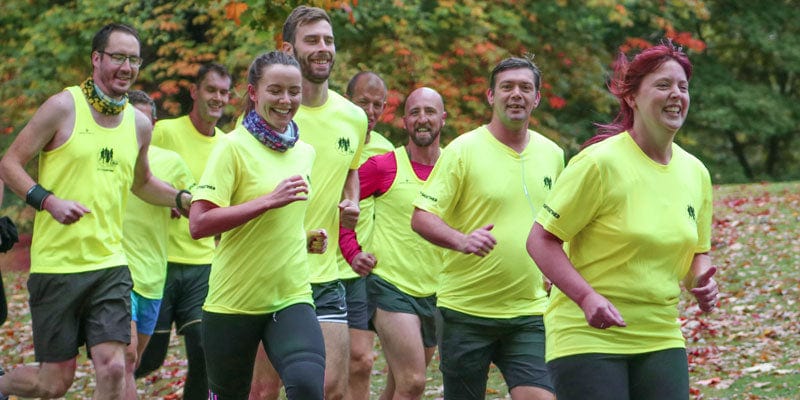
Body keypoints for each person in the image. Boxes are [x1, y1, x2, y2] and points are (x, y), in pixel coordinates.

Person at [0, 23, 189, 399]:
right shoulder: (62, 107)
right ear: (96, 59)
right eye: (118, 57)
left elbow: (142, 182)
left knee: (116, 366)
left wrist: (183, 201)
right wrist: (48, 201)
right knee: (55, 383)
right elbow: (10, 164)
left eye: (134, 59)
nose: (127, 66)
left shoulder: (138, 125)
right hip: (58, 265)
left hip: (110, 264)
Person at [526, 42, 719, 400]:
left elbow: (698, 252)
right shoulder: (599, 163)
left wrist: (701, 280)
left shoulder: (696, 173)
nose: (676, 94)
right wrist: (586, 298)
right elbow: (541, 240)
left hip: (659, 333)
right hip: (587, 335)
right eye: (663, 85)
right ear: (631, 98)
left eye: (683, 87)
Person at [411, 57, 562, 400]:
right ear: (491, 96)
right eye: (507, 87)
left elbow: (558, 223)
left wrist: (559, 264)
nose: (516, 95)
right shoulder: (463, 150)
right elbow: (422, 216)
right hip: (466, 312)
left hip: (529, 311)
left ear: (536, 98)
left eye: (525, 88)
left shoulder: (553, 154)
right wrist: (461, 240)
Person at [188, 50, 327, 400]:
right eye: (275, 90)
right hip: (234, 302)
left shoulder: (305, 152)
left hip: (290, 295)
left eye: (293, 91)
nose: (286, 100)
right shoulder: (231, 148)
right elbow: (199, 222)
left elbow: (285, 222)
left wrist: (309, 238)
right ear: (254, 93)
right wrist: (267, 201)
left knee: (309, 387)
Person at [248, 6, 366, 400]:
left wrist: (351, 204)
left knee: (331, 387)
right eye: (312, 40)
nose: (323, 48)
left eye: (329, 40)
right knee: (263, 390)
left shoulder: (353, 117)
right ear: (288, 48)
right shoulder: (263, 117)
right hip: (270, 273)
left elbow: (351, 170)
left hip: (325, 272)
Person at [134, 62, 232, 399]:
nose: (218, 98)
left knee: (205, 351)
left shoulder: (228, 145)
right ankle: (113, 384)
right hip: (158, 261)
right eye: (211, 90)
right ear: (195, 92)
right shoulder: (162, 132)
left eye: (223, 92)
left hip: (204, 264)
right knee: (148, 358)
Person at [341, 87, 445, 400]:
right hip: (389, 286)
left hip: (436, 290)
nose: (422, 119)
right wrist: (353, 252)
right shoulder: (384, 165)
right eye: (415, 112)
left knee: (399, 387)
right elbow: (339, 203)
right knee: (413, 381)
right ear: (404, 121)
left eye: (430, 111)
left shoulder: (455, 167)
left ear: (443, 117)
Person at [123, 90, 193, 395]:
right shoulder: (107, 158)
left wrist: (180, 201)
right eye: (130, 118)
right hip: (116, 271)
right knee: (124, 358)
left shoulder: (171, 162)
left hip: (153, 274)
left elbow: (194, 203)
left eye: (143, 119)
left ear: (153, 123)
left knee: (137, 361)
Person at [338, 71, 395, 400]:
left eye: (378, 105)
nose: (371, 111)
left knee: (361, 359)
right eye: (363, 103)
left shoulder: (387, 152)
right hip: (319, 262)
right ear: (347, 100)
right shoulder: (331, 138)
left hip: (361, 270)